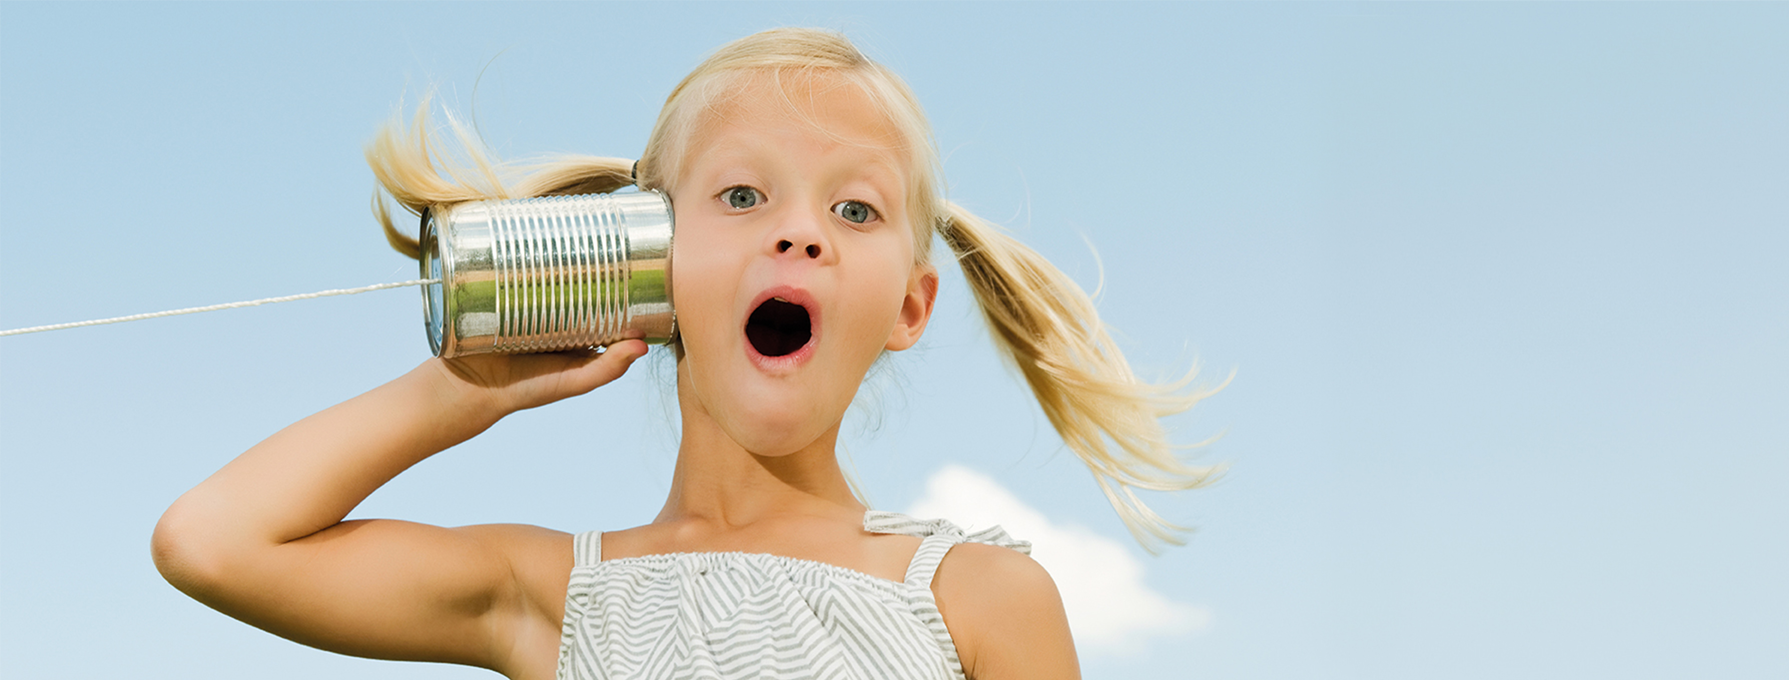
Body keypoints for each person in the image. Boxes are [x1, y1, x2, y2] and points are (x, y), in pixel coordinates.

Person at [151, 28, 1222, 680]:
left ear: (907, 306)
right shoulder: (550, 592)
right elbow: (213, 540)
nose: (797, 232)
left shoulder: (982, 597)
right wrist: (463, 385)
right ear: (648, 260)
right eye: (743, 195)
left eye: (853, 208)